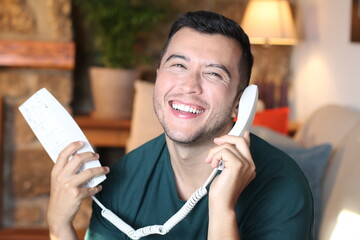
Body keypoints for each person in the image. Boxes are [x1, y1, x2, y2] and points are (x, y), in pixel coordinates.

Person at [47, 10, 314, 240]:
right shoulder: (124, 179)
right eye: (178, 65)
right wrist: (59, 226)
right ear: (158, 77)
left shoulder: (283, 187)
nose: (189, 86)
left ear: (240, 103)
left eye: (213, 74)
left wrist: (222, 208)